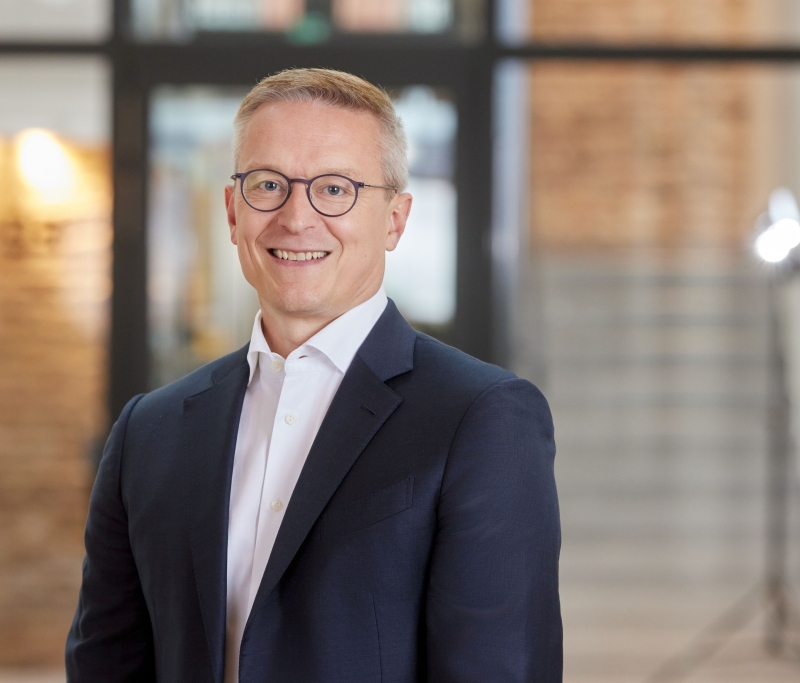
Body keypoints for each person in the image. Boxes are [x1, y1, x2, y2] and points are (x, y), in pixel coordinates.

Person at [66, 68, 562, 683]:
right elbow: (106, 664)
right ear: (232, 212)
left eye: (334, 188)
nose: (296, 217)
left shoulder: (483, 419)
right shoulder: (149, 430)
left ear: (395, 220)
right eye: (268, 184)